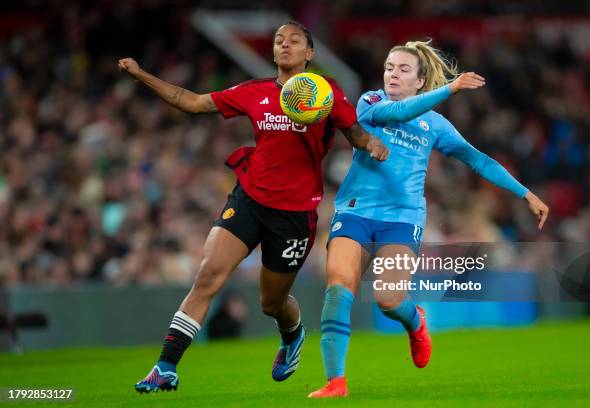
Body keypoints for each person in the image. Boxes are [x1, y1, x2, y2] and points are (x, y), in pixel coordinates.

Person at [118, 21, 389, 393]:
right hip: (249, 198)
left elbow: (353, 132)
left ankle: (292, 335)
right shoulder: (255, 92)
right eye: (279, 40)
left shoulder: (326, 93)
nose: (285, 45)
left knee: (271, 303)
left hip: (294, 214)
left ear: (310, 53)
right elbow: (192, 101)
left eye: (294, 41)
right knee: (208, 275)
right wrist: (141, 76)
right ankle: (165, 366)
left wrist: (369, 142)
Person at [308, 40, 549, 398]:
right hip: (355, 211)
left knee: (389, 300)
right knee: (338, 288)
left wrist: (525, 193)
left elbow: (478, 160)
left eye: (403, 69)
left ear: (420, 81)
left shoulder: (435, 125)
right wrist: (450, 88)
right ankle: (336, 382)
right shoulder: (371, 103)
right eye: (390, 67)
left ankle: (416, 321)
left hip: (402, 220)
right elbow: (398, 114)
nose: (393, 73)